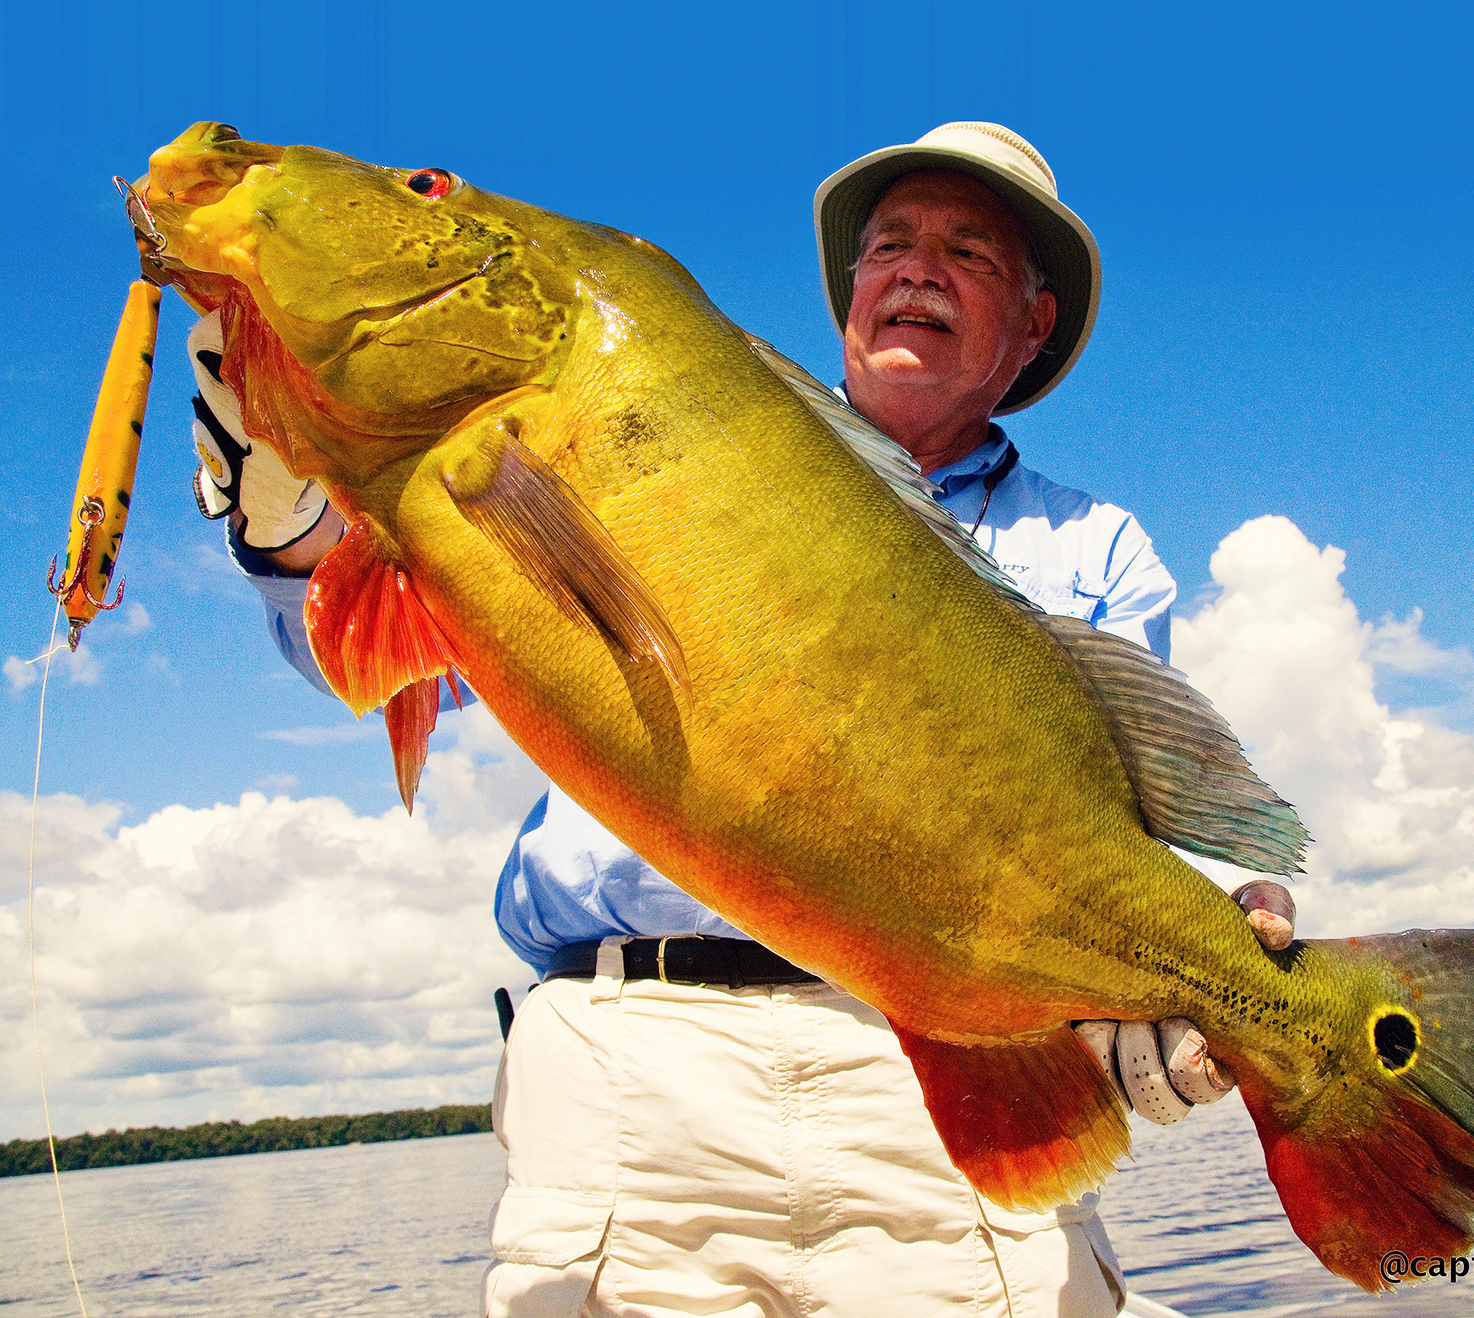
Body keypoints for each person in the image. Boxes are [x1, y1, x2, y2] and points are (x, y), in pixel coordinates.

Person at [192, 121, 1294, 1316]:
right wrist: (288, 526)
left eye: (968, 253)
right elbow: (407, 663)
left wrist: (1209, 970)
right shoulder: (648, 425)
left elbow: (1127, 837)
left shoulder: (1094, 547)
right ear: (848, 292)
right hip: (632, 1079)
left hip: (929, 1094)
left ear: (1032, 323)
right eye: (889, 245)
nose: (916, 269)